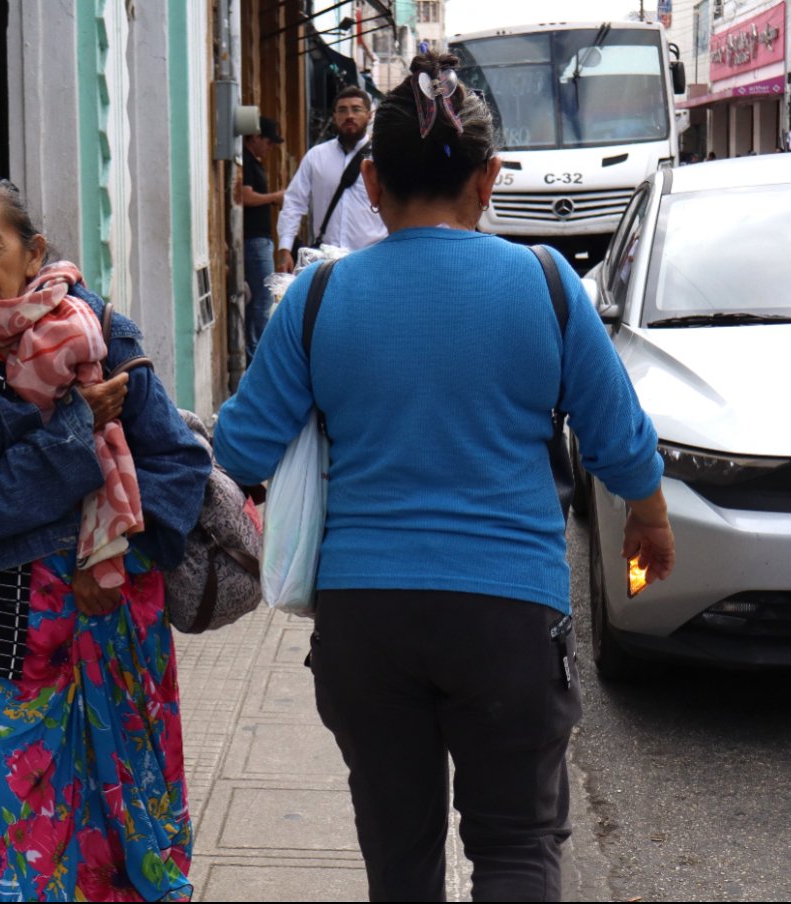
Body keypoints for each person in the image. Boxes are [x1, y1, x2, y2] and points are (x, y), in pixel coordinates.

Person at [213, 51, 675, 902]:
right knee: (518, 845)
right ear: (489, 177)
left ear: (373, 184)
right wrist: (649, 519)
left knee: (400, 858)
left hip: (365, 622)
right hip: (506, 618)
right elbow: (617, 438)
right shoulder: (544, 285)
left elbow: (236, 453)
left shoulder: (315, 303)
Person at [0, 174, 212, 902]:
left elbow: (177, 463)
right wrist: (74, 436)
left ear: (31, 252)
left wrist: (111, 555)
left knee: (124, 826)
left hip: (111, 617)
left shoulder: (95, 328)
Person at [275, 86, 387, 273]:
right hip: (327, 263)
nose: (349, 115)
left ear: (369, 116)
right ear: (334, 116)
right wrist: (285, 249)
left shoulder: (383, 157)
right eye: (342, 110)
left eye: (356, 109)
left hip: (373, 258)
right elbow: (294, 203)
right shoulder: (316, 156)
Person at [240, 116, 285, 363]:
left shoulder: (253, 161)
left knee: (261, 298)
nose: (270, 148)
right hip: (254, 239)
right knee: (263, 297)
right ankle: (256, 354)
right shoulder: (245, 161)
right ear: (256, 137)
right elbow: (245, 197)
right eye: (268, 142)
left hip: (260, 238)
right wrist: (276, 196)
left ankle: (255, 351)